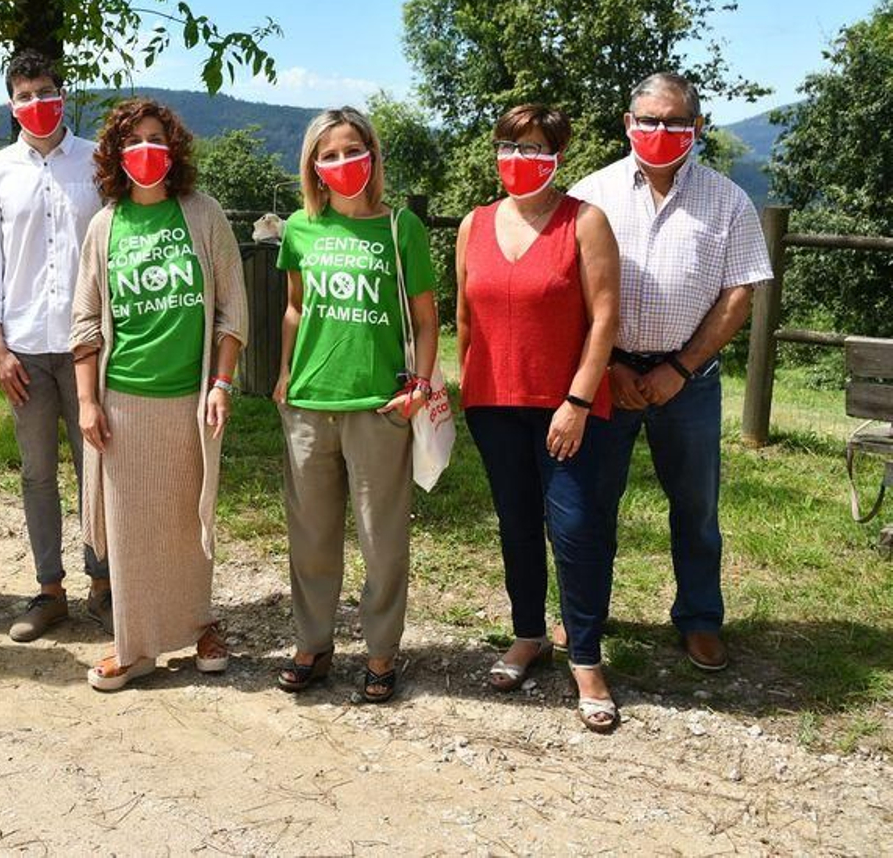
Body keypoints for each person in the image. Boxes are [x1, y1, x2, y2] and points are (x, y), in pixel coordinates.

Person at [568, 73, 773, 673]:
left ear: (698, 127)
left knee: (695, 507)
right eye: (649, 120)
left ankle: (700, 618)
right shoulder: (591, 194)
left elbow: (740, 293)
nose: (661, 131)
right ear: (627, 123)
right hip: (606, 377)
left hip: (689, 380)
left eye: (676, 121)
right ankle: (583, 614)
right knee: (589, 504)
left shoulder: (728, 200)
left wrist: (680, 368)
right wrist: (607, 367)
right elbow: (568, 289)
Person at [71, 98, 247, 691]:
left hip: (191, 400)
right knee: (130, 530)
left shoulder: (203, 214)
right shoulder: (105, 226)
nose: (145, 150)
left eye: (155, 138)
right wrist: (87, 401)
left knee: (187, 519)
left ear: (173, 150)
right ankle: (136, 645)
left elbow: (232, 310)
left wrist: (221, 383)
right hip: (123, 401)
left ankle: (200, 625)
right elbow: (85, 321)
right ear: (116, 156)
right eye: (133, 141)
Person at [456, 104, 623, 733]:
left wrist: (577, 401)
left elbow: (605, 318)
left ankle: (586, 657)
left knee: (575, 530)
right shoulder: (473, 224)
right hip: (493, 405)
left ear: (557, 156)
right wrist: (467, 389)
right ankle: (529, 635)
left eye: (533, 149)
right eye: (509, 146)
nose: (518, 160)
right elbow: (465, 317)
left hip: (567, 409)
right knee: (517, 525)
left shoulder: (585, 222)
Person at [271, 107, 438, 703]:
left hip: (378, 405)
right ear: (314, 166)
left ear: (372, 156)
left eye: (352, 150)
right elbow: (295, 306)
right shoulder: (299, 227)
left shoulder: (400, 228)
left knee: (381, 538)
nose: (343, 163)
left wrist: (419, 386)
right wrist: (285, 372)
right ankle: (312, 644)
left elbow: (425, 318)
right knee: (311, 536)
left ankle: (381, 650)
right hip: (309, 402)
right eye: (330, 154)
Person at [0, 49, 112, 641]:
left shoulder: (97, 162)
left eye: (45, 92)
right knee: (36, 473)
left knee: (95, 467)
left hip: (88, 344)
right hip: (25, 345)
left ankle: (104, 584)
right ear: (12, 105)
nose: (36, 103)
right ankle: (49, 590)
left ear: (63, 95)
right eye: (24, 96)